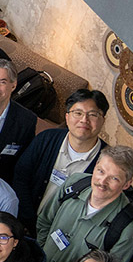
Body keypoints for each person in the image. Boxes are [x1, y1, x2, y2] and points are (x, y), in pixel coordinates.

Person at [36, 146, 133, 262]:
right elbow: (45, 220)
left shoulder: (130, 227)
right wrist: (40, 258)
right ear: (94, 168)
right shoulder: (75, 183)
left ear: (127, 184)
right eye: (100, 171)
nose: (102, 182)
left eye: (114, 178)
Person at [12, 89, 109, 233]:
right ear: (67, 116)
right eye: (78, 113)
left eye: (93, 114)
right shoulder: (46, 139)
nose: (84, 120)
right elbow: (20, 177)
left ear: (103, 120)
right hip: (24, 224)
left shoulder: (108, 161)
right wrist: (28, 221)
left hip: (65, 236)